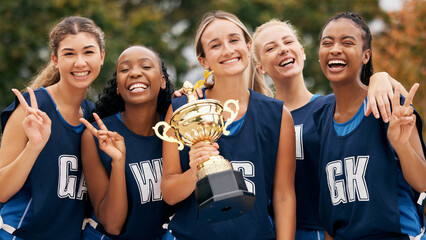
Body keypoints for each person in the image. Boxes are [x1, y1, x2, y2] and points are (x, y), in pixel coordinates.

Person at [252, 19, 409, 240]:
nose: (283, 49)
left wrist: (378, 77)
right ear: (260, 67)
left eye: (288, 41)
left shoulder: (329, 110)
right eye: (271, 47)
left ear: (302, 51)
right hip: (279, 231)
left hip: (326, 230)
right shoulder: (261, 121)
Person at [161, 10, 296, 240]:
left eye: (234, 40)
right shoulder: (183, 109)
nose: (228, 50)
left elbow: (283, 196)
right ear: (203, 61)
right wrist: (195, 171)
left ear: (248, 45)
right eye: (215, 45)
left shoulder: (278, 115)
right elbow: (169, 193)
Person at [313, 12, 426, 240]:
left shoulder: (391, 104)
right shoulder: (321, 117)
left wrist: (401, 145)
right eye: (327, 43)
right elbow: (332, 215)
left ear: (366, 56)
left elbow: (423, 183)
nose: (335, 49)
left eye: (347, 42)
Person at [0, 16, 105, 240]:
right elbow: (1, 190)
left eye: (88, 52)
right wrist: (34, 147)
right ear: (55, 60)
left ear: (102, 57)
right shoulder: (31, 109)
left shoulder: (95, 117)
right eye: (69, 53)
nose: (80, 62)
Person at [79, 45, 175, 240]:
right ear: (118, 86)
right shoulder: (97, 136)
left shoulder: (175, 130)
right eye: (125, 69)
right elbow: (113, 226)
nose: (135, 73)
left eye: (146, 67)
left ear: (162, 81)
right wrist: (118, 162)